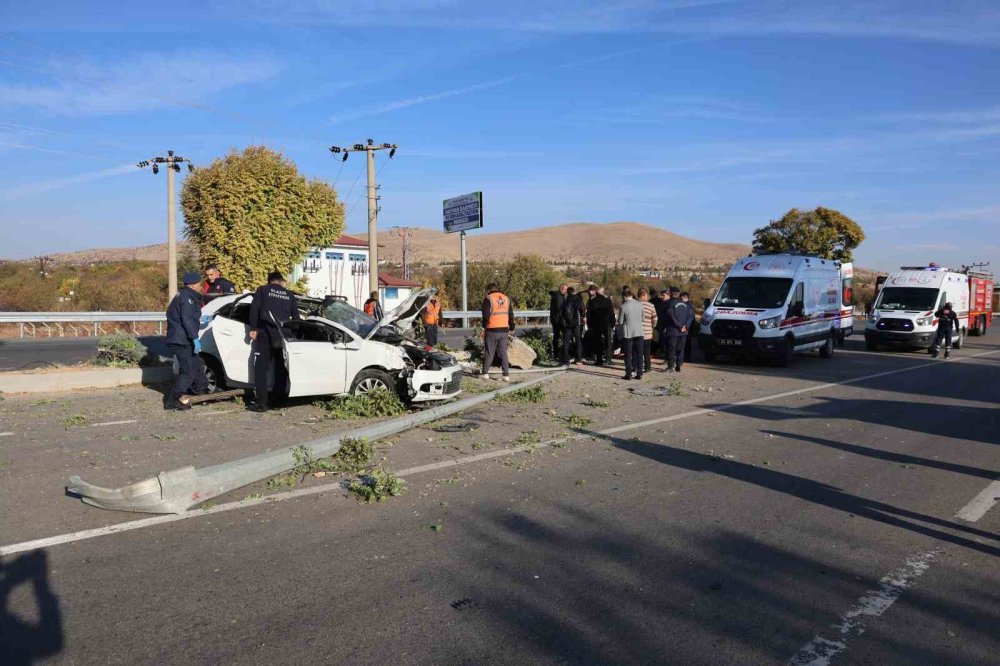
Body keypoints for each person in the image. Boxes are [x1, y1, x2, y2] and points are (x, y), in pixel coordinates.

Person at [248, 271, 300, 412]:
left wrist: (253, 328)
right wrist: (294, 335)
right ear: (281, 282)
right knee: (280, 368)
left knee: (261, 368)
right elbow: (296, 317)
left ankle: (261, 403)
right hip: (283, 335)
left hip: (265, 333)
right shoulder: (289, 295)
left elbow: (254, 309)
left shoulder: (262, 290)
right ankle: (279, 401)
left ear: (269, 281)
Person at [164, 272, 208, 411]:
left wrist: (200, 319)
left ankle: (201, 392)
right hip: (181, 340)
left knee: (196, 365)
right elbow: (187, 319)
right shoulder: (187, 298)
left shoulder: (186, 295)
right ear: (193, 285)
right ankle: (173, 400)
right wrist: (195, 337)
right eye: (200, 284)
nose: (201, 286)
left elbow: (187, 316)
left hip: (183, 338)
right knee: (188, 370)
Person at [480, 283, 514, 381]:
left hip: (492, 329)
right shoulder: (506, 298)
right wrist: (512, 326)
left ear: (489, 290)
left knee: (489, 352)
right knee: (503, 353)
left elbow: (485, 315)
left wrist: (484, 326)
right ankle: (506, 375)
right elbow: (510, 314)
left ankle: (485, 373)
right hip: (504, 329)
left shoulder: (488, 299)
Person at [617, 287, 645, 380]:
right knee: (639, 354)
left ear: (624, 297)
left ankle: (628, 374)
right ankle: (640, 373)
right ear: (632, 296)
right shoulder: (640, 305)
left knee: (628, 355)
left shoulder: (623, 306)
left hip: (628, 333)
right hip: (639, 332)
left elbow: (620, 321)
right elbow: (643, 318)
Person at [664, 288, 694, 372]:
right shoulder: (686, 305)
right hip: (683, 331)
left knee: (672, 349)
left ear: (671, 294)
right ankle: (678, 365)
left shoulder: (670, 304)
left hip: (673, 331)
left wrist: (680, 326)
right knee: (680, 349)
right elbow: (690, 317)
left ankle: (671, 366)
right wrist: (686, 326)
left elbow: (671, 316)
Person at [586, 286, 614, 366]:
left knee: (597, 342)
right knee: (608, 341)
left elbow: (588, 314)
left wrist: (589, 325)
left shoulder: (592, 301)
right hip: (606, 323)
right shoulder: (608, 301)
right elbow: (611, 313)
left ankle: (599, 360)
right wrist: (612, 323)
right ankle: (608, 359)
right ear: (603, 293)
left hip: (596, 324)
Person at [559, 286, 584, 365]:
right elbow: (583, 311)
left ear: (567, 293)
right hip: (577, 324)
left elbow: (561, 313)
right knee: (578, 341)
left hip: (567, 325)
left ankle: (565, 359)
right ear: (573, 292)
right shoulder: (579, 300)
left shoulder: (565, 301)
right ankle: (578, 359)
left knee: (566, 342)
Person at [638, 288, 658, 374]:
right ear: (644, 295)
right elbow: (655, 319)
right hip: (647, 332)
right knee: (647, 351)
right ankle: (647, 368)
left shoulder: (635, 304)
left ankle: (637, 367)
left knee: (637, 351)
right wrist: (652, 326)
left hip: (637, 332)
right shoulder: (651, 306)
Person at [549, 284, 568, 361]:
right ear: (561, 289)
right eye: (565, 289)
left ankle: (557, 354)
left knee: (556, 337)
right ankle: (559, 354)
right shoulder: (559, 297)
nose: (566, 291)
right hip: (558, 320)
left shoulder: (556, 295)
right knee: (566, 336)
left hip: (555, 319)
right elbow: (559, 308)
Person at [654, 288, 672, 358]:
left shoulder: (670, 303)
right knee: (662, 341)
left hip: (667, 326)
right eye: (661, 295)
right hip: (661, 325)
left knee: (667, 342)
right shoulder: (661, 303)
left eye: (663, 295)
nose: (662, 297)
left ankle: (667, 356)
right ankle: (663, 353)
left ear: (668, 295)